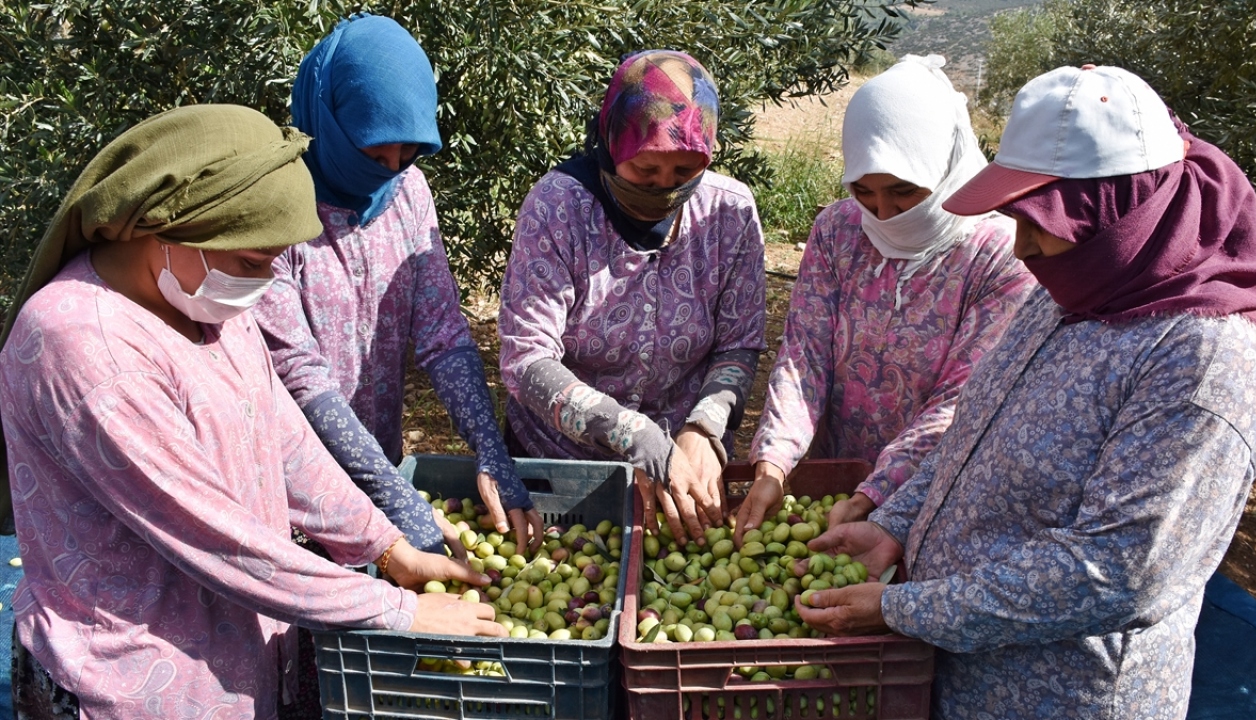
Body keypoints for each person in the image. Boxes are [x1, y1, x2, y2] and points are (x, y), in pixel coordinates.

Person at [796, 65, 1256, 719]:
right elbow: (977, 428)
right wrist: (897, 525)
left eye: (1039, 221)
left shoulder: (1204, 360)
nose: (1020, 246)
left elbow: (1119, 570)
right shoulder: (1074, 289)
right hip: (961, 673)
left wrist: (903, 607)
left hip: (1058, 698)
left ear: (1118, 208)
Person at [0, 104, 505, 720]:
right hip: (133, 686)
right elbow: (208, 533)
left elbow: (282, 436)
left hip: (235, 658)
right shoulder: (83, 347)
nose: (264, 282)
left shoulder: (201, 303)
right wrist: (395, 609)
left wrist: (384, 543)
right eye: (251, 263)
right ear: (165, 230)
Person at [253, 14, 543, 557]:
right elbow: (296, 371)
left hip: (374, 459)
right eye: (373, 153)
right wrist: (391, 495)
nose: (390, 168)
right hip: (286, 481)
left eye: (405, 153)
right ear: (330, 120)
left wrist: (488, 447)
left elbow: (443, 333)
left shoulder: (407, 191)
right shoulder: (275, 205)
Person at [734, 55, 1034, 542]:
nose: (884, 212)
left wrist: (876, 493)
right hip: (835, 476)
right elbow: (804, 355)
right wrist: (774, 462)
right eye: (864, 191)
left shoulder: (999, 253)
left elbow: (959, 401)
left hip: (932, 490)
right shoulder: (839, 229)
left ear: (945, 167)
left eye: (903, 191)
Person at [498, 50, 766, 547]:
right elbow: (526, 358)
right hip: (564, 469)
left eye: (685, 172)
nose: (663, 190)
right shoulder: (559, 208)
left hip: (683, 473)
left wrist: (704, 427)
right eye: (645, 172)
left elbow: (739, 344)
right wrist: (633, 435)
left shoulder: (728, 213)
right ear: (612, 143)